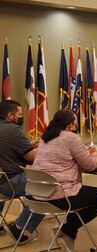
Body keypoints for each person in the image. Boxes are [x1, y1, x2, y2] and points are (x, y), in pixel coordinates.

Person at [32, 109, 97, 252]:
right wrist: (96, 155)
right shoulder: (71, 137)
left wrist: (83, 153)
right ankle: (65, 231)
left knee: (79, 195)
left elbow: (63, 157)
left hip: (35, 194)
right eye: (75, 124)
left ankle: (67, 235)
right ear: (70, 125)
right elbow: (89, 165)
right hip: (57, 195)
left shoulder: (45, 137)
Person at [0, 100, 44, 243]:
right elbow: (32, 158)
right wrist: (42, 148)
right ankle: (19, 226)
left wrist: (29, 146)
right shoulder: (13, 129)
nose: (21, 117)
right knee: (47, 185)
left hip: (2, 179)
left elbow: (7, 152)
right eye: (19, 114)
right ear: (10, 116)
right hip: (8, 183)